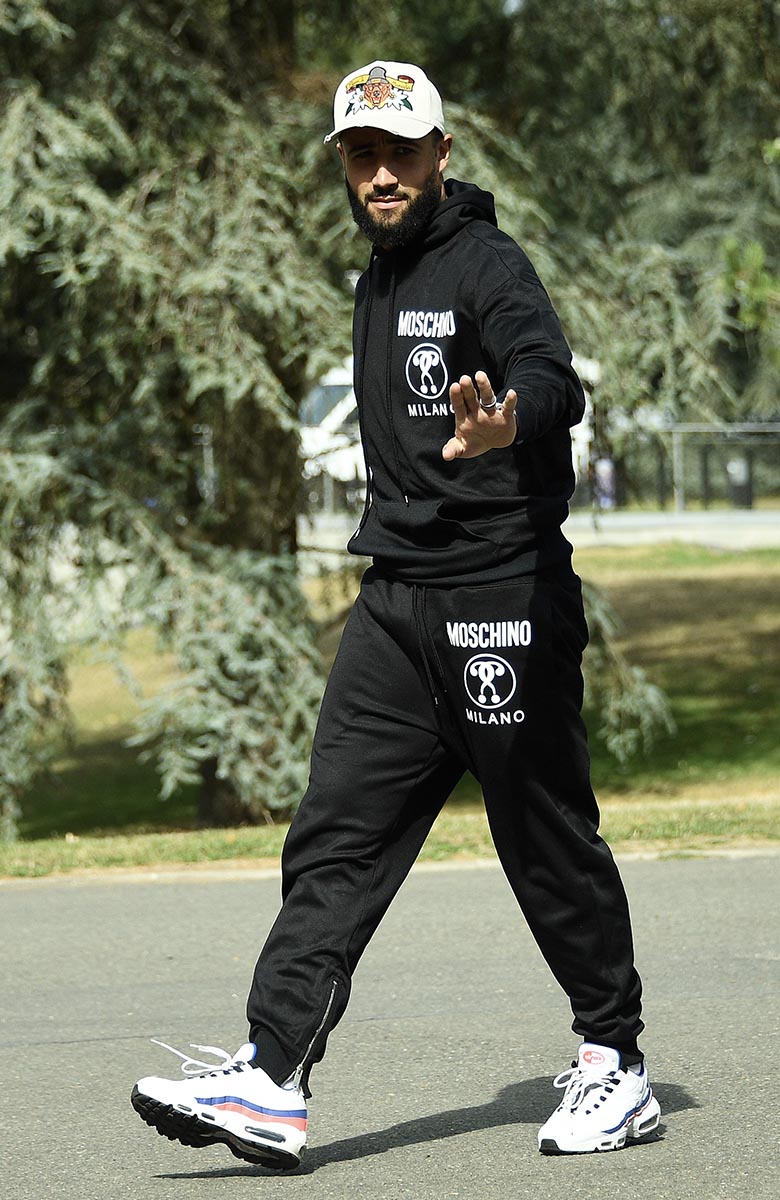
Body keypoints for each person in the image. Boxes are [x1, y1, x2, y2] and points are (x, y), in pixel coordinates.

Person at [131, 60, 661, 1167]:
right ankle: (273, 1075)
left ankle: (616, 1063)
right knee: (335, 835)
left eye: (400, 151)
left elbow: (551, 374)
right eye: (361, 154)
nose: (380, 172)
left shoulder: (485, 263)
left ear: (441, 156)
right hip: (396, 606)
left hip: (498, 598)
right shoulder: (377, 277)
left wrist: (513, 420)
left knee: (543, 834)